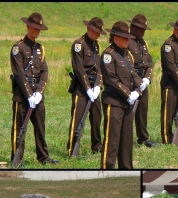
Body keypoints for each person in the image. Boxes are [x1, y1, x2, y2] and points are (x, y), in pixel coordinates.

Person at [10, 12, 59, 165]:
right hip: (22, 95)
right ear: (28, 26)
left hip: (37, 94)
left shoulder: (40, 49)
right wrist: (29, 95)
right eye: (35, 29)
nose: (37, 32)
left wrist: (39, 93)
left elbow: (44, 71)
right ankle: (17, 159)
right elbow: (18, 73)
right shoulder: (18, 48)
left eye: (39, 30)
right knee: (19, 129)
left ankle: (43, 157)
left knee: (40, 127)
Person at [100, 21, 141, 169]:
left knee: (126, 141)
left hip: (128, 103)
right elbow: (111, 80)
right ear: (115, 37)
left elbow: (134, 74)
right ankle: (107, 168)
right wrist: (128, 93)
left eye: (128, 37)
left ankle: (126, 168)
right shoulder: (108, 55)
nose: (127, 41)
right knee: (112, 140)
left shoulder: (127, 55)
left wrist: (138, 89)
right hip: (114, 101)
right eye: (124, 38)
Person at [67, 17, 105, 157]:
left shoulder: (96, 45)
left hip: (94, 87)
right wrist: (88, 88)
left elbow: (100, 67)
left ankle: (97, 145)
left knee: (96, 117)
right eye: (96, 32)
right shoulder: (79, 45)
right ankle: (72, 148)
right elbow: (79, 69)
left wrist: (98, 85)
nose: (98, 35)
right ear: (89, 29)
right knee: (77, 119)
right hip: (81, 88)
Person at [126, 14, 158, 148]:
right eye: (140, 29)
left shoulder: (143, 43)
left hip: (143, 81)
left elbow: (149, 62)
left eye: (144, 29)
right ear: (132, 28)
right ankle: (125, 137)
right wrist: (138, 80)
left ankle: (143, 138)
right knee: (128, 111)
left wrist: (147, 78)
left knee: (142, 111)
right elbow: (127, 64)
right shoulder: (127, 41)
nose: (143, 32)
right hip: (131, 81)